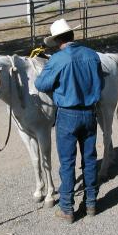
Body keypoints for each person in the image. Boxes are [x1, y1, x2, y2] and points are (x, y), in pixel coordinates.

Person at [34, 18, 103, 223]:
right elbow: (100, 82)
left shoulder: (57, 59)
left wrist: (58, 85)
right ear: (72, 35)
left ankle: (67, 208)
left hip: (67, 113)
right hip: (89, 112)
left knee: (67, 162)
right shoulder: (92, 55)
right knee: (89, 159)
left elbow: (40, 83)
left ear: (56, 40)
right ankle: (91, 203)